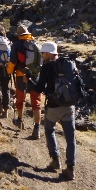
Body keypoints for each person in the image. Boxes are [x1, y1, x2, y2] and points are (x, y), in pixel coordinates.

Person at [33, 41, 78, 181]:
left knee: (49, 129)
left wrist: (29, 80)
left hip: (54, 106)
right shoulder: (67, 64)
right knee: (70, 137)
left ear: (49, 53)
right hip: (70, 105)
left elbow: (39, 88)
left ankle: (55, 160)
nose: (41, 55)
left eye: (43, 53)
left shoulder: (47, 67)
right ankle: (70, 169)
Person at [6, 25, 42, 138]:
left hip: (21, 76)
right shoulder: (36, 44)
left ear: (18, 35)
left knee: (20, 99)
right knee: (36, 102)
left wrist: (8, 71)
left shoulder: (16, 45)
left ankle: (20, 121)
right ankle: (37, 128)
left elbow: (12, 62)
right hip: (35, 76)